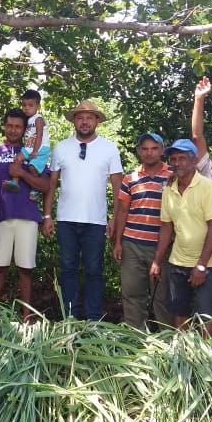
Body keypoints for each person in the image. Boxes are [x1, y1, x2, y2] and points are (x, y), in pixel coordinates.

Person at [42, 100, 124, 320]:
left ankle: (93, 320)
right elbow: (51, 184)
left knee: (94, 272)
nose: (84, 121)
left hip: (95, 222)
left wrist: (115, 219)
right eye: (80, 117)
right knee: (68, 270)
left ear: (97, 120)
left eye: (89, 117)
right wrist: (47, 215)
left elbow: (119, 188)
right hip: (66, 220)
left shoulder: (109, 148)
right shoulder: (61, 147)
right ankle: (69, 319)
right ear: (74, 121)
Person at [149, 139, 212, 334]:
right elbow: (166, 227)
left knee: (205, 314)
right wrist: (157, 260)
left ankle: (205, 357)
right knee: (179, 311)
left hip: (207, 264)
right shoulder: (169, 189)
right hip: (178, 262)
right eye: (173, 159)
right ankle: (183, 354)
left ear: (194, 161)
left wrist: (201, 264)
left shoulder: (208, 187)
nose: (177, 163)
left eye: (182, 158)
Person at [0, 109, 50, 318]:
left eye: (18, 127)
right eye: (10, 125)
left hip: (27, 217)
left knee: (25, 269)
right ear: (4, 126)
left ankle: (27, 318)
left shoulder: (33, 152)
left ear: (24, 130)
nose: (13, 130)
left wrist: (22, 173)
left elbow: (46, 185)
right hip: (0, 218)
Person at [112, 132, 172, 330]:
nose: (149, 153)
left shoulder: (173, 176)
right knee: (132, 294)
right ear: (138, 151)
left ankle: (167, 341)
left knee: (162, 296)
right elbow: (123, 211)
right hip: (133, 244)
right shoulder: (131, 178)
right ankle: (135, 338)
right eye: (145, 149)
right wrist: (118, 242)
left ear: (162, 150)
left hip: (162, 247)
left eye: (154, 148)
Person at [7, 89, 49, 201]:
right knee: (18, 158)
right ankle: (15, 182)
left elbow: (39, 135)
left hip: (40, 148)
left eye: (30, 105)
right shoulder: (28, 120)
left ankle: (35, 190)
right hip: (29, 147)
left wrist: (35, 151)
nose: (26, 108)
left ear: (38, 106)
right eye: (24, 105)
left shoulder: (38, 119)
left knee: (32, 167)